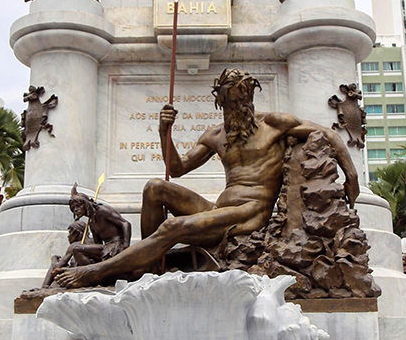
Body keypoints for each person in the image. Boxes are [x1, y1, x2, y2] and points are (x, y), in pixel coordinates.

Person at [53, 69, 360, 288]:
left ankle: (94, 272)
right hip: (218, 210)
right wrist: (164, 133)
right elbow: (177, 168)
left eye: (242, 102)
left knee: (173, 226)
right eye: (230, 103)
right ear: (220, 102)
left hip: (251, 213)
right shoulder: (215, 135)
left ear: (251, 98)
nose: (237, 109)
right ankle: (147, 264)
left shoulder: (274, 124)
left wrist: (352, 174)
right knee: (154, 188)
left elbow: (327, 133)